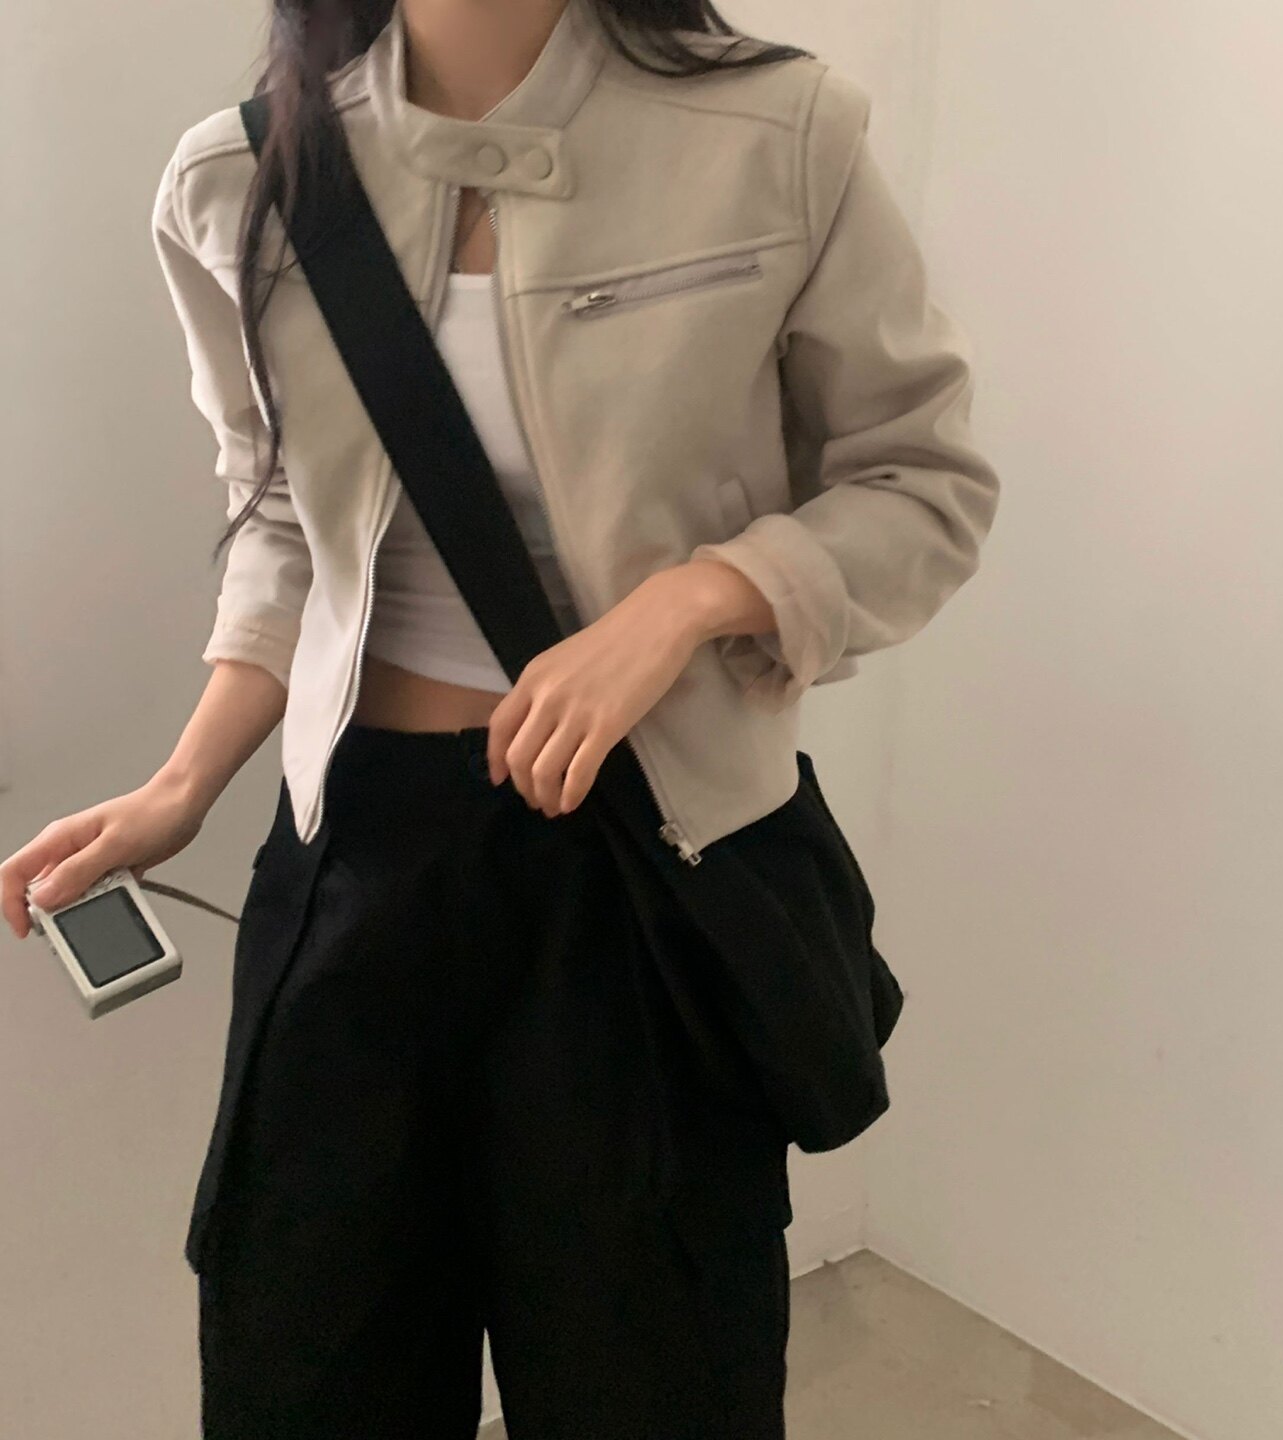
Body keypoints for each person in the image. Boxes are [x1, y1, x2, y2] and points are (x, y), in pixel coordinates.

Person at [0, 0, 1000, 1433]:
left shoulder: (777, 131)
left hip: (641, 865)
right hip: (353, 868)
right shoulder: (240, 179)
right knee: (304, 1379)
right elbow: (279, 520)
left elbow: (920, 482)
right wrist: (183, 784)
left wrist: (688, 602)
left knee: (655, 1388)